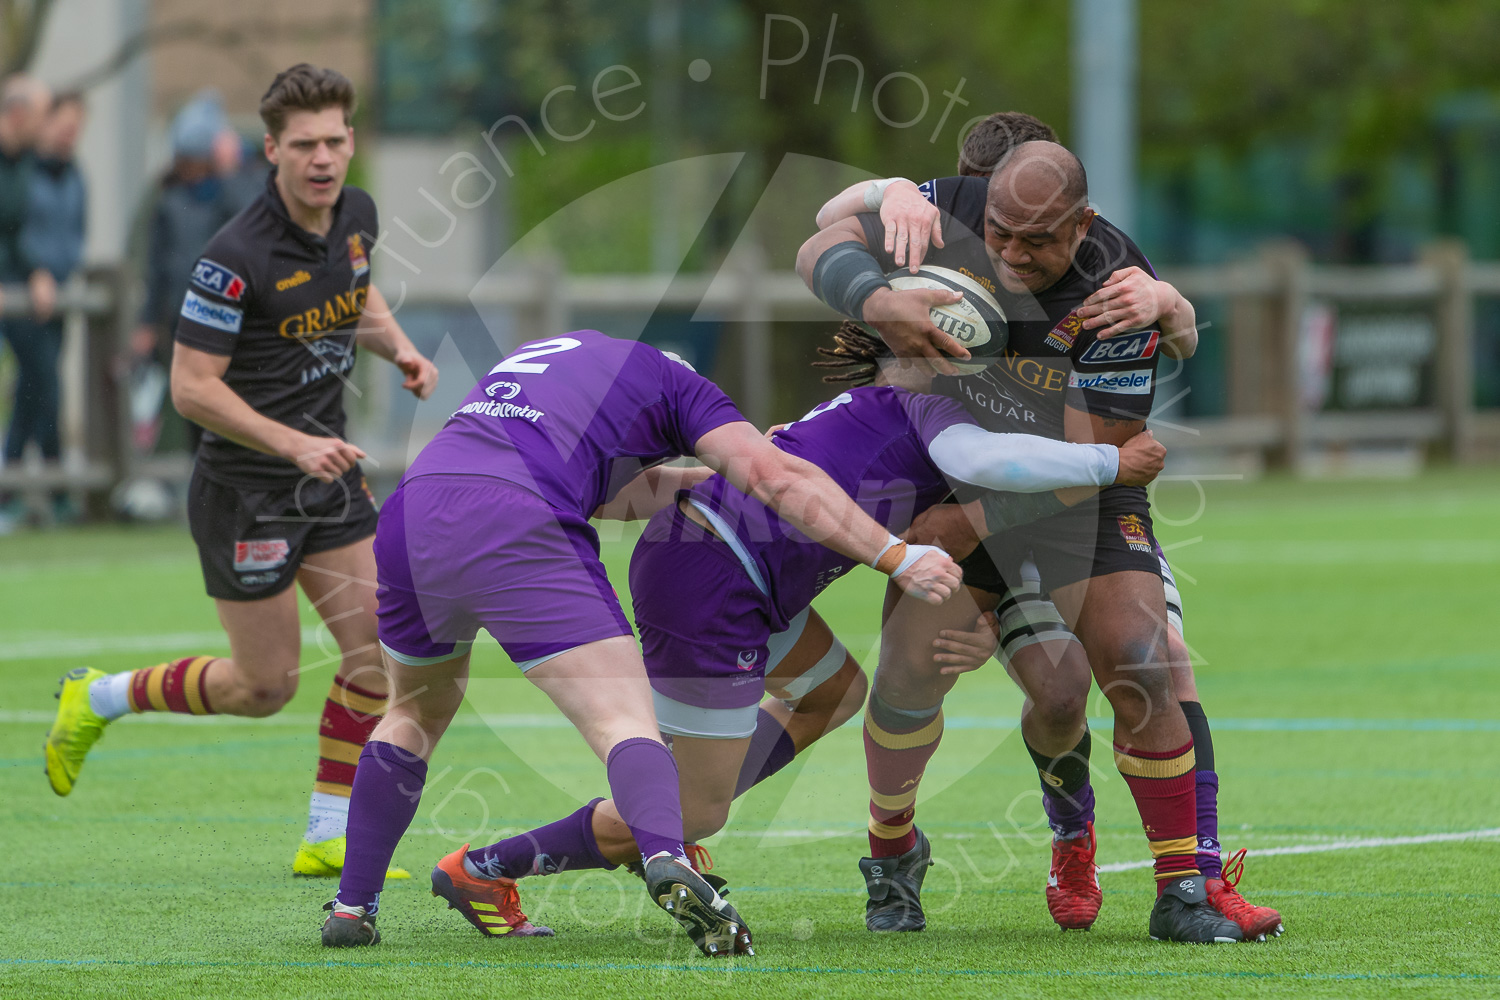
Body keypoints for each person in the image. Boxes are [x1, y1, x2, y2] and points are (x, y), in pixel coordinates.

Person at [424, 330, 1165, 947]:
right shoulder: (927, 408)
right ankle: (487, 867)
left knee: (833, 692)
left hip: (712, 563)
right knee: (694, 809)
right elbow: (985, 465)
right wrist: (1114, 463)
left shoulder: (874, 408)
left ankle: (662, 827)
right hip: (714, 583)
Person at [322, 329, 964, 955]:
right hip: (522, 519)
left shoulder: (558, 353)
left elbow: (609, 491)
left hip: (415, 507)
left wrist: (700, 477)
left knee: (411, 711)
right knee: (624, 723)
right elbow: (777, 479)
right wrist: (895, 555)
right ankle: (664, 854)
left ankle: (354, 907)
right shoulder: (684, 388)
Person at [812, 117, 1280, 940]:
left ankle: (1182, 890)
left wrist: (973, 519)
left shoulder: (1116, 285)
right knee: (909, 678)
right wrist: (880, 292)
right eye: (1001, 234)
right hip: (955, 481)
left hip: (1080, 492)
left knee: (1141, 662)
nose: (1016, 254)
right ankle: (894, 854)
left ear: (1084, 227)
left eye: (1039, 240)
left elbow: (1102, 453)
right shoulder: (946, 214)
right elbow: (817, 247)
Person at [43, 65, 439, 885]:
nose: (323, 158)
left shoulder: (356, 214)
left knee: (377, 662)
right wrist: (292, 444)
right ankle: (100, 697)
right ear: (272, 150)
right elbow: (192, 390)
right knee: (263, 688)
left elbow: (355, 294)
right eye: (305, 146)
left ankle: (328, 833)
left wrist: (396, 344)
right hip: (245, 494)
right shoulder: (232, 257)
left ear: (350, 141)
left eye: (335, 140)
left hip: (328, 479)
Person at [127, 90, 242, 455]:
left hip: (227, 321)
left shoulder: (230, 195)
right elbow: (157, 266)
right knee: (191, 412)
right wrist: (146, 322)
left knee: (226, 412)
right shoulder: (168, 202)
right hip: (181, 320)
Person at [5, 92, 86, 524]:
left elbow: (75, 233)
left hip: (59, 298)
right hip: (23, 293)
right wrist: (35, 271)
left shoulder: (74, 175)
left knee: (35, 390)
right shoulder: (23, 170)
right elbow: (17, 231)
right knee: (41, 386)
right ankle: (39, 492)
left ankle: (21, 491)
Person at [0, 73, 53, 531]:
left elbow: (12, 233)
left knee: (38, 373)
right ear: (18, 114)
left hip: (11, 285)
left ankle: (7, 486)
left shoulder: (22, 163)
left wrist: (36, 270)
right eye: (42, 114)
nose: (48, 124)